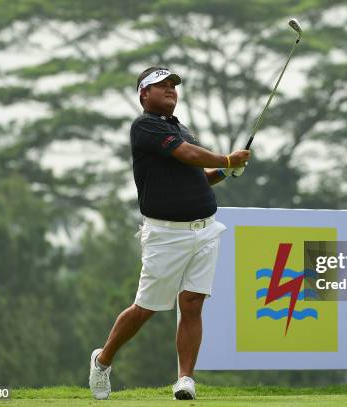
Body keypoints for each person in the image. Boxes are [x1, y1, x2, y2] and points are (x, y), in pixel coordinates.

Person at [88, 66, 250, 400]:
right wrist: (227, 158)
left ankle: (185, 380)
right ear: (143, 94)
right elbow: (188, 155)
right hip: (165, 234)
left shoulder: (180, 129)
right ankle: (103, 360)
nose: (170, 90)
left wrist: (224, 170)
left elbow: (196, 177)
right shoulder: (145, 126)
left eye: (173, 86)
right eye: (161, 86)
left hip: (205, 231)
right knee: (146, 308)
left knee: (192, 304)